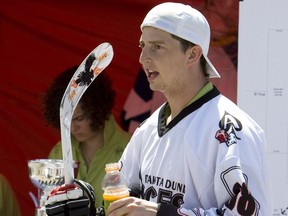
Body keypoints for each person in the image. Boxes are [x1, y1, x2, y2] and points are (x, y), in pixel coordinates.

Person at [107, 2, 272, 215]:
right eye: (143, 46)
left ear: (193, 55)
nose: (143, 58)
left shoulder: (233, 132)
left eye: (157, 46)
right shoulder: (147, 130)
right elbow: (125, 200)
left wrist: (162, 213)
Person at [41, 65, 131, 208]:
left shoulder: (130, 147)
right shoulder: (58, 152)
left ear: (97, 109)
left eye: (79, 119)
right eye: (66, 121)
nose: (72, 127)